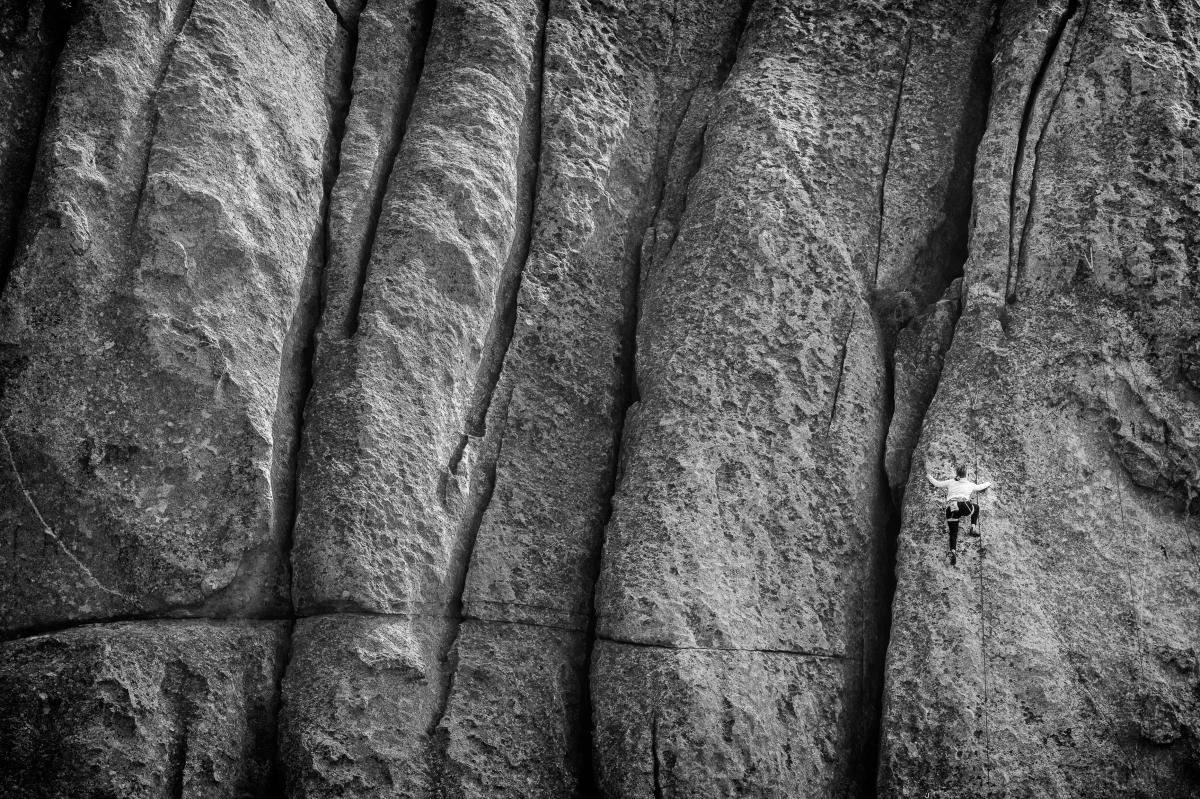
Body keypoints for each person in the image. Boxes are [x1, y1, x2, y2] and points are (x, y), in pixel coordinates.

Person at [927, 465, 992, 565]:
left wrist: (929, 476)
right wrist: (989, 483)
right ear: (966, 474)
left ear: (957, 474)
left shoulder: (950, 482)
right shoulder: (970, 484)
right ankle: (973, 528)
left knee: (953, 532)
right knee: (976, 508)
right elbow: (980, 487)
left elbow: (937, 484)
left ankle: (953, 551)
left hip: (951, 508)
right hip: (964, 506)